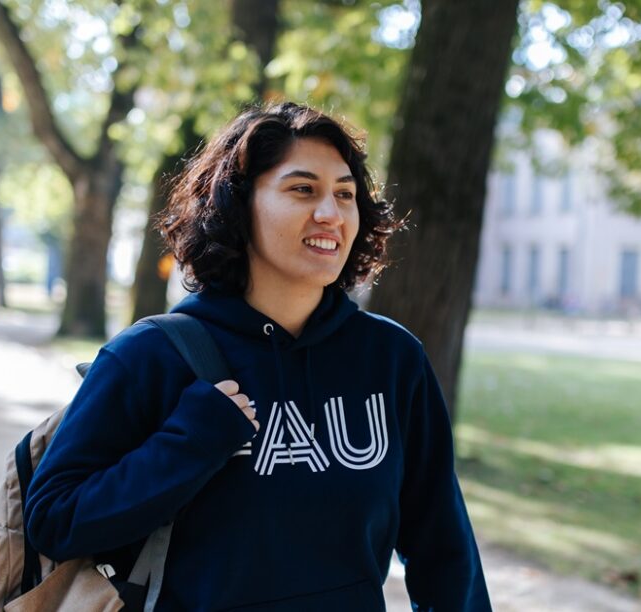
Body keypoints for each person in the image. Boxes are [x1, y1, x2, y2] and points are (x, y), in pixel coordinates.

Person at [25, 102, 491, 611]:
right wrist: (189, 442)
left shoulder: (393, 359)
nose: (331, 213)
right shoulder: (151, 355)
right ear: (238, 204)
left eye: (345, 194)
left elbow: (443, 549)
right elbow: (55, 520)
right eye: (303, 189)